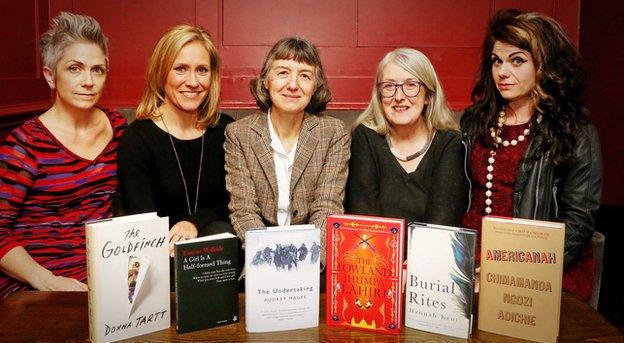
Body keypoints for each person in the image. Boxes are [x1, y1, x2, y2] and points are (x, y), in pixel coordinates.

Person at [461, 9, 602, 301]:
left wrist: (514, 273)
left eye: (517, 61)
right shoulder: (476, 121)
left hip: (542, 265)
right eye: (497, 61)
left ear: (545, 64)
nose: (502, 71)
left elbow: (578, 220)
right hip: (473, 258)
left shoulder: (574, 129)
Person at [0, 12, 125, 299]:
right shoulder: (26, 143)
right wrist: (46, 280)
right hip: (37, 284)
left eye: (98, 70)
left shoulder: (118, 128)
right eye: (74, 68)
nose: (88, 81)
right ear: (50, 76)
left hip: (105, 275)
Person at [224, 37, 350, 264]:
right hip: (259, 254)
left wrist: (306, 263)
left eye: (304, 75)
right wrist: (269, 261)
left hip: (310, 255)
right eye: (283, 72)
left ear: (316, 86)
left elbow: (327, 207)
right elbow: (244, 211)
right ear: (266, 81)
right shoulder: (239, 134)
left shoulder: (333, 133)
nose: (293, 85)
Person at [118, 25, 234, 258]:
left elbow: (234, 203)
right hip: (159, 254)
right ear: (161, 73)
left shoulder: (225, 130)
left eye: (202, 70)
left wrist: (193, 223)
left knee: (222, 234)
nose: (193, 82)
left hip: (216, 251)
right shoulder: (137, 139)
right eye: (180, 69)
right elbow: (141, 221)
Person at [346, 48, 468, 226]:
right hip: (376, 250)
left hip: (431, 251)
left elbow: (442, 222)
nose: (399, 97)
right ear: (379, 96)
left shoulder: (450, 142)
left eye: (411, 85)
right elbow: (363, 217)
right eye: (389, 86)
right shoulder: (365, 137)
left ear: (428, 95)